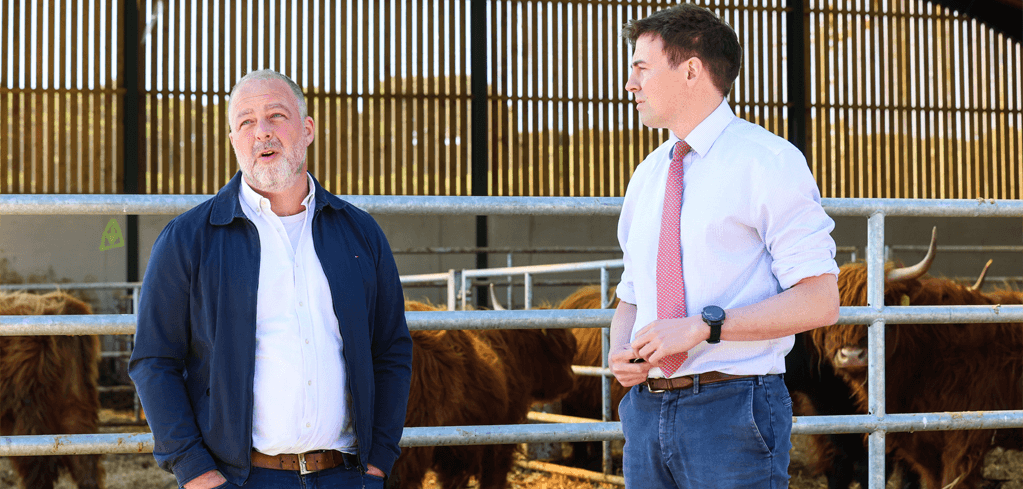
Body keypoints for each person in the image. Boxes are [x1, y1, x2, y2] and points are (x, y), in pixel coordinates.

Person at [129, 69, 413, 489]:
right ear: (233, 141)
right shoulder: (189, 239)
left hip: (346, 475)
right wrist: (196, 473)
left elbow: (391, 351)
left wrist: (377, 465)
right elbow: (154, 361)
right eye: (245, 121)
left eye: (276, 116)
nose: (261, 132)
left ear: (308, 129)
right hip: (239, 480)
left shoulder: (360, 234)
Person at [608, 5, 841, 487]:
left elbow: (821, 301)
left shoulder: (769, 162)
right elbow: (631, 292)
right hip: (645, 411)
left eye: (641, 68)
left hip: (732, 409)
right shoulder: (648, 175)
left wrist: (703, 327)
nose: (630, 84)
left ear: (691, 69)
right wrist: (620, 349)